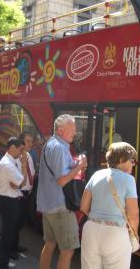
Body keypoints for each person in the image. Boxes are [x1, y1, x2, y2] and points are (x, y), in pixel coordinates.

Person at [37, 114, 87, 269]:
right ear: (60, 130)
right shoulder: (59, 148)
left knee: (50, 245)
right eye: (72, 129)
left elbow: (63, 169)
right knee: (67, 251)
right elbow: (62, 180)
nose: (75, 132)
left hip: (49, 205)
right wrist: (79, 167)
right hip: (60, 207)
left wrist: (77, 164)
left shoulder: (52, 144)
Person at [80, 142, 139, 269]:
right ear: (122, 160)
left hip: (91, 230)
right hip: (116, 233)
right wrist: (135, 236)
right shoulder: (129, 180)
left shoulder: (96, 175)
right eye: (132, 160)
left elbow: (84, 206)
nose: (133, 164)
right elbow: (133, 215)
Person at [0, 136, 28, 269]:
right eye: (20, 150)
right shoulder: (7, 164)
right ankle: (3, 265)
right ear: (12, 147)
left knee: (6, 233)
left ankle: (3, 262)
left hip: (9, 201)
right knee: (6, 236)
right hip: (7, 202)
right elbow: (21, 183)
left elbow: (15, 185)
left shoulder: (11, 160)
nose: (21, 153)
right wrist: (24, 163)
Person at [10, 132, 36, 259]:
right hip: (18, 194)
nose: (31, 144)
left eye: (31, 141)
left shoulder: (29, 156)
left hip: (26, 194)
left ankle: (15, 245)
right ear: (21, 142)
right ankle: (10, 248)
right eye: (28, 141)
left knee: (20, 222)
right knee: (14, 223)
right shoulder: (17, 157)